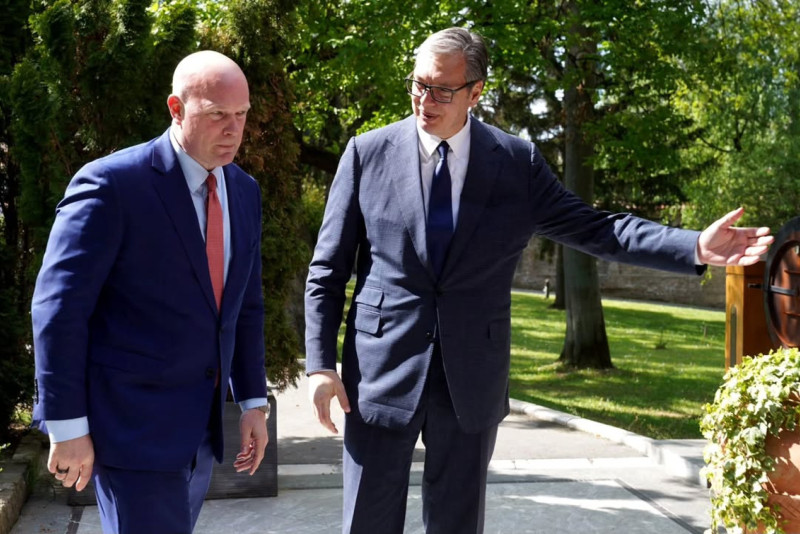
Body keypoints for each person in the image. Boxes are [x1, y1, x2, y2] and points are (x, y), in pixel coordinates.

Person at [304, 27, 774, 534]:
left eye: (442, 90)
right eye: (418, 85)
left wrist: (693, 246)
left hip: (471, 380)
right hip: (379, 372)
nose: (425, 100)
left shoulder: (514, 163)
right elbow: (328, 269)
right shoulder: (366, 153)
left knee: (456, 524)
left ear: (476, 92)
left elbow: (599, 229)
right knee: (367, 522)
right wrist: (320, 364)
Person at [31, 50, 271, 534]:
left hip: (200, 435)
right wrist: (67, 426)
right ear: (176, 109)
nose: (233, 130)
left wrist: (252, 402)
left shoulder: (243, 190)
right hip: (130, 432)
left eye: (242, 115)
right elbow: (59, 310)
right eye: (217, 115)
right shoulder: (112, 185)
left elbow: (244, 305)